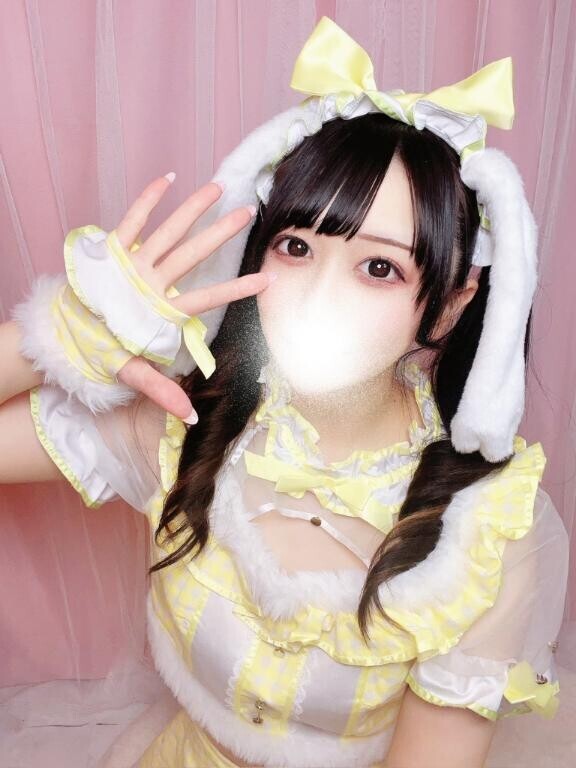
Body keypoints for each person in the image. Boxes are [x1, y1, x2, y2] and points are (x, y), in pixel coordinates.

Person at [0, 16, 570, 768]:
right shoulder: (190, 419)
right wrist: (61, 334)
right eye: (296, 247)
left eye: (379, 268)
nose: (315, 298)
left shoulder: (487, 529)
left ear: (450, 306)